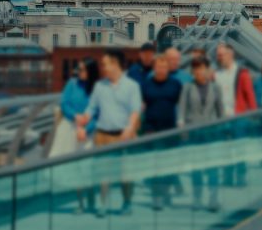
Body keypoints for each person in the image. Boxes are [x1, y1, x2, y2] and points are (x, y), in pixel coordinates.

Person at [76, 49, 143, 217]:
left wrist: (129, 128)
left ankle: (127, 202)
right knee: (103, 172)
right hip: (103, 135)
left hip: (123, 136)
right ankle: (103, 204)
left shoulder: (132, 86)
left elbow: (135, 111)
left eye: (105, 64)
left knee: (125, 174)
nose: (103, 67)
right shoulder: (99, 86)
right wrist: (84, 118)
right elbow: (91, 107)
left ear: (115, 64)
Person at [51, 57, 100, 214]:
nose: (79, 72)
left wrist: (87, 129)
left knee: (87, 167)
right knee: (75, 167)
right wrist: (75, 117)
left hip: (88, 131)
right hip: (71, 128)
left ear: (90, 72)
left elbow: (99, 112)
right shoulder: (72, 84)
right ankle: (80, 203)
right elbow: (64, 104)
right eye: (78, 69)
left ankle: (92, 200)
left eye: (82, 69)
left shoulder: (97, 89)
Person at [177, 57, 224, 211]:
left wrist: (222, 130)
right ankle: (197, 198)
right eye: (196, 69)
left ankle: (213, 199)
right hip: (194, 132)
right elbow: (182, 111)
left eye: (201, 68)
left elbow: (220, 112)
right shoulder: (187, 87)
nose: (198, 71)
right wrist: (182, 127)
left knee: (212, 168)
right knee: (196, 168)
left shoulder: (216, 87)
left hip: (211, 133)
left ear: (207, 69)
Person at [140, 55, 183, 210]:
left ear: (168, 69)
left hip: (170, 129)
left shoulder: (175, 84)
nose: (161, 69)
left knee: (168, 164)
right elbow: (142, 105)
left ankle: (165, 191)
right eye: (158, 66)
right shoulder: (146, 85)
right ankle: (156, 196)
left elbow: (180, 105)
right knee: (154, 164)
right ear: (154, 68)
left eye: (164, 67)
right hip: (151, 129)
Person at [215, 43, 256, 187]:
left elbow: (249, 94)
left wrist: (254, 114)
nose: (219, 58)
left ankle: (240, 177)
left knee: (239, 148)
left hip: (238, 118)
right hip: (222, 119)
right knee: (225, 149)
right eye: (218, 55)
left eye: (221, 55)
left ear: (230, 54)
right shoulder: (216, 74)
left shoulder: (242, 73)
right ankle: (227, 177)